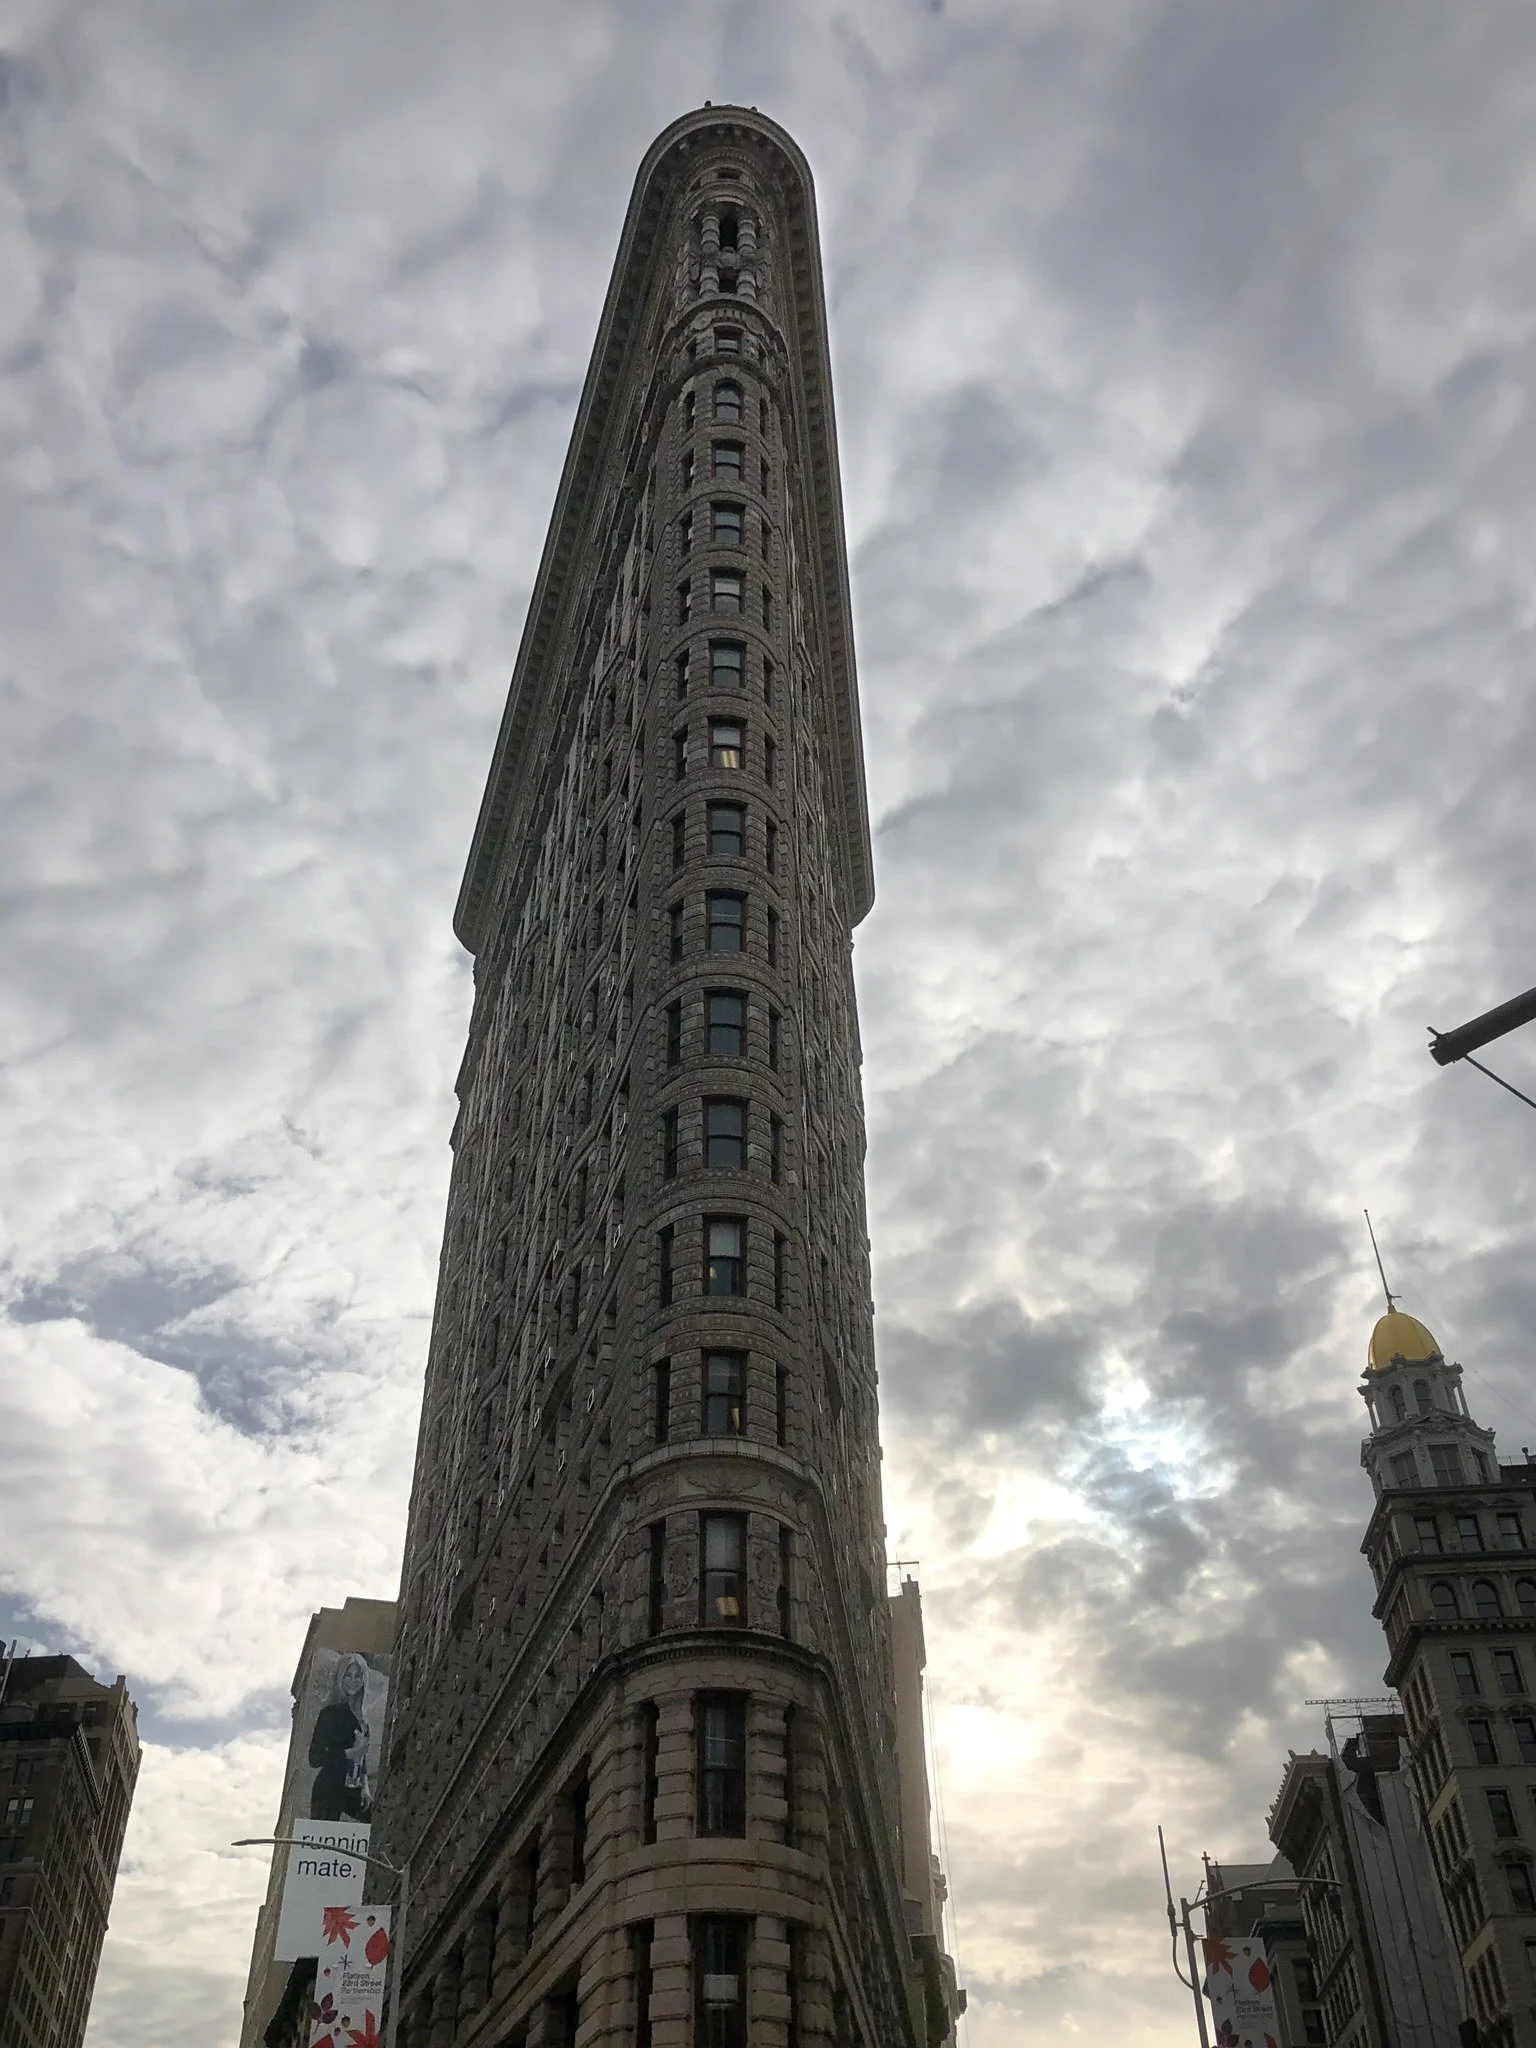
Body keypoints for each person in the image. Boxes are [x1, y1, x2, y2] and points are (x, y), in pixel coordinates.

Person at [308, 1654, 373, 1821]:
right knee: (321, 1843)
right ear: (340, 1678)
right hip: (328, 1787)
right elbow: (314, 1758)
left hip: (354, 1787)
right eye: (348, 1675)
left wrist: (365, 1788)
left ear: (363, 1679)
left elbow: (362, 1759)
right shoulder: (329, 1714)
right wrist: (349, 1753)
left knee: (374, 1823)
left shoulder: (363, 1721)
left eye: (357, 1676)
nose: (353, 1681)